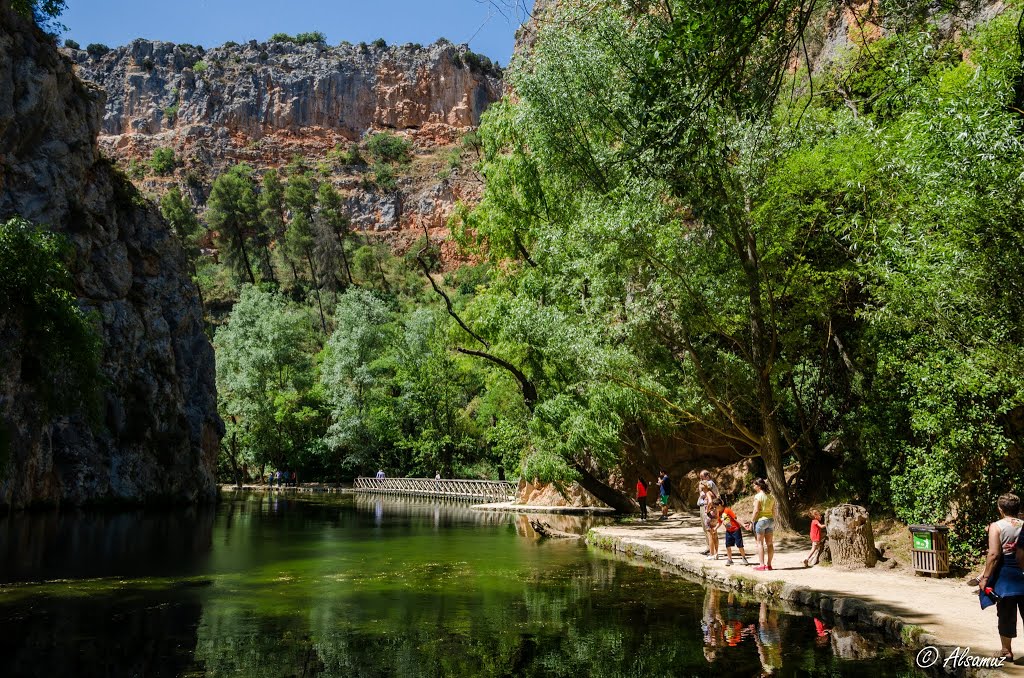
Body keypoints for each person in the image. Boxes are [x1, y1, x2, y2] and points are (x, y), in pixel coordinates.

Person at [985, 493, 1024, 661]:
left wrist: (985, 577)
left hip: (1005, 572)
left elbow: (994, 554)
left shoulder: (997, 526)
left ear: (1000, 509)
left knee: (1005, 612)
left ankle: (1006, 651)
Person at [746, 478, 776, 571]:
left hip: (761, 521)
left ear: (759, 486)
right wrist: (772, 520)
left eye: (754, 485)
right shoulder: (771, 497)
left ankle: (762, 565)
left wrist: (751, 521)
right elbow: (773, 511)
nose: (753, 486)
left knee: (760, 543)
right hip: (770, 520)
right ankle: (769, 565)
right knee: (770, 543)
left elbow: (756, 511)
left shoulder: (758, 496)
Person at [718, 498, 751, 566]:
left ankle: (744, 558)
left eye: (715, 507)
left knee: (739, 545)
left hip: (736, 529)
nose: (715, 508)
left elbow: (735, 518)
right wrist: (715, 528)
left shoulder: (727, 510)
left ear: (719, 505)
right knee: (728, 545)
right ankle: (730, 560)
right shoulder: (719, 513)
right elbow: (720, 522)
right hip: (728, 531)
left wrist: (743, 525)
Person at [704, 496, 720, 560]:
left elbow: (706, 511)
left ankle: (711, 554)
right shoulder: (717, 509)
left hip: (709, 524)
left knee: (710, 538)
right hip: (714, 523)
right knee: (715, 537)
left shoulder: (709, 508)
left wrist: (710, 503)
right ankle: (716, 553)